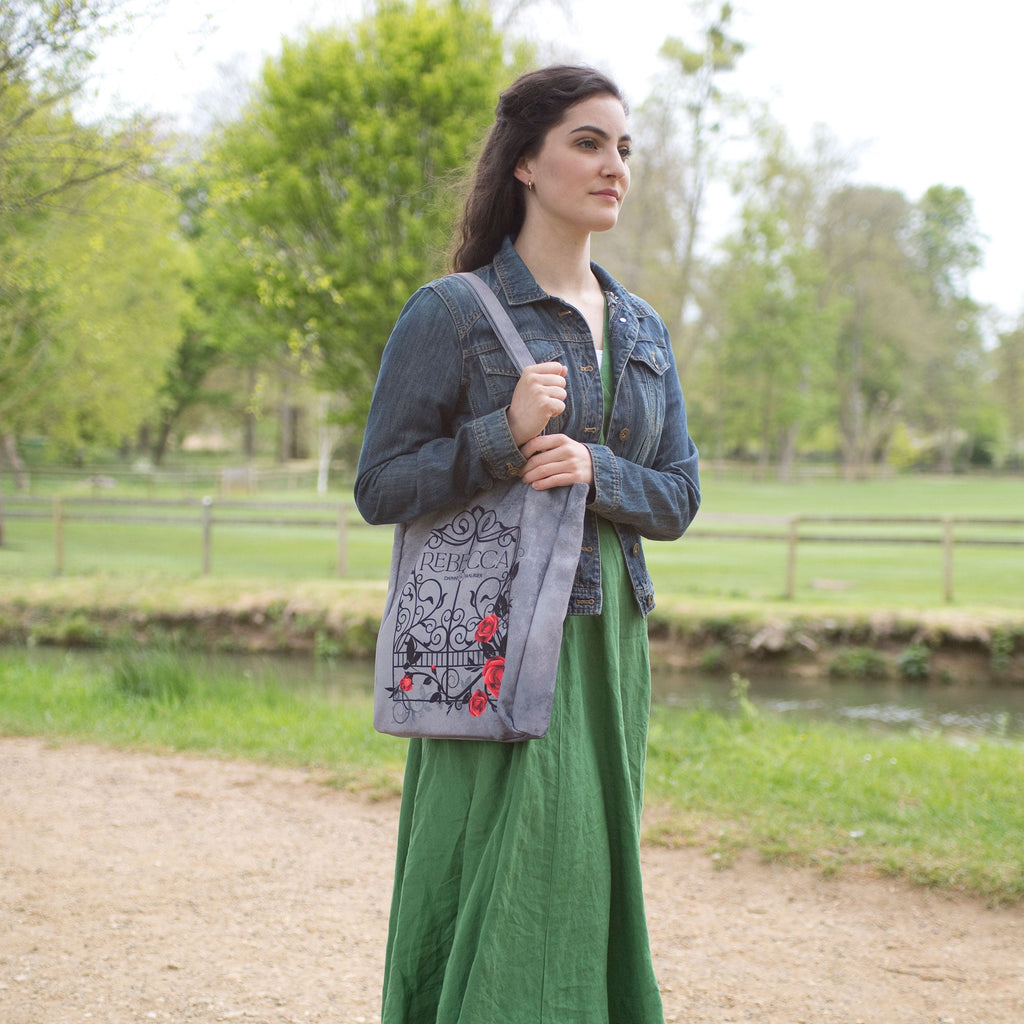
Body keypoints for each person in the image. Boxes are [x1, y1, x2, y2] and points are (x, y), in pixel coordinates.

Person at [355, 64, 700, 1024]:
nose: (613, 167)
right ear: (526, 165)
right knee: (486, 862)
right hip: (488, 636)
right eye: (588, 143)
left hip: (606, 640)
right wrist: (501, 438)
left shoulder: (642, 329)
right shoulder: (451, 312)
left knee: (585, 862)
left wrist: (597, 469)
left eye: (623, 147)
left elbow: (678, 496)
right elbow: (379, 486)